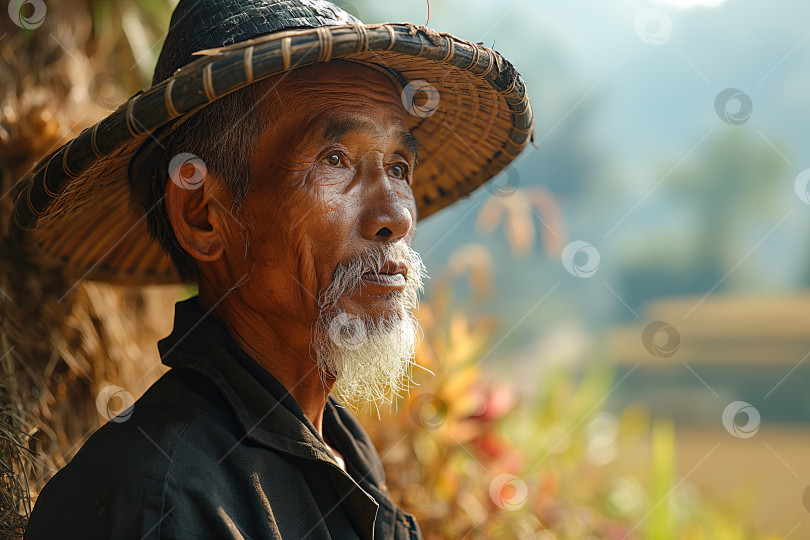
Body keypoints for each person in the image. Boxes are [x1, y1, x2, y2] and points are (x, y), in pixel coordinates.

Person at [16, 0, 533, 537]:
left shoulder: (340, 449)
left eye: (399, 167)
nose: (397, 216)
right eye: (336, 159)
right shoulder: (157, 497)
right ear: (203, 215)